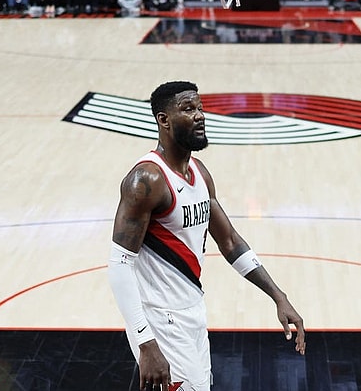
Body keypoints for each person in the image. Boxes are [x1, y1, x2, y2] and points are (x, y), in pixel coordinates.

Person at [109, 81, 306, 391]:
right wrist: (146, 342)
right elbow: (120, 265)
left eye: (200, 108)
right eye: (188, 109)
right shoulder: (146, 180)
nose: (200, 115)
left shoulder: (199, 172)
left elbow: (229, 242)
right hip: (162, 321)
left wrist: (278, 295)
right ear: (164, 120)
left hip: (193, 311)